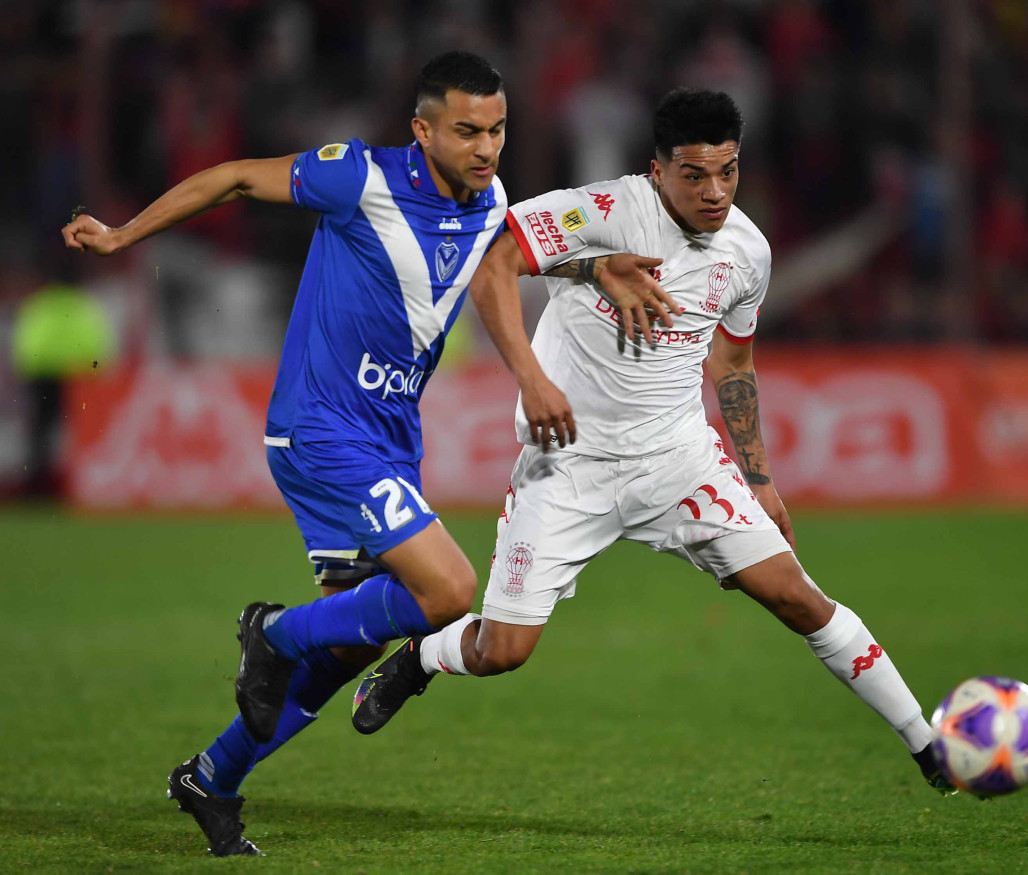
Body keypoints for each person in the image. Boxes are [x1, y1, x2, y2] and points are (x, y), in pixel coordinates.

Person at [62, 51, 675, 856]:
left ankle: (211, 778)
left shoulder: (488, 199)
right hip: (321, 426)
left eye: (496, 129)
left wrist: (595, 267)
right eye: (465, 130)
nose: (486, 146)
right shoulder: (358, 176)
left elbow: (503, 259)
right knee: (451, 588)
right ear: (422, 130)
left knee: (351, 642)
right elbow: (240, 176)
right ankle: (271, 632)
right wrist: (122, 235)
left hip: (389, 436)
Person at [350, 88, 955, 796]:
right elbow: (493, 267)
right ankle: (423, 659)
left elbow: (732, 363)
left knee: (799, 598)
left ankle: (929, 743)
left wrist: (759, 479)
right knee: (502, 648)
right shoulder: (601, 211)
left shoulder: (748, 251)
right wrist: (533, 380)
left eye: (727, 171)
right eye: (694, 174)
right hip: (568, 463)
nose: (714, 190)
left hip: (680, 461)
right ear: (656, 169)